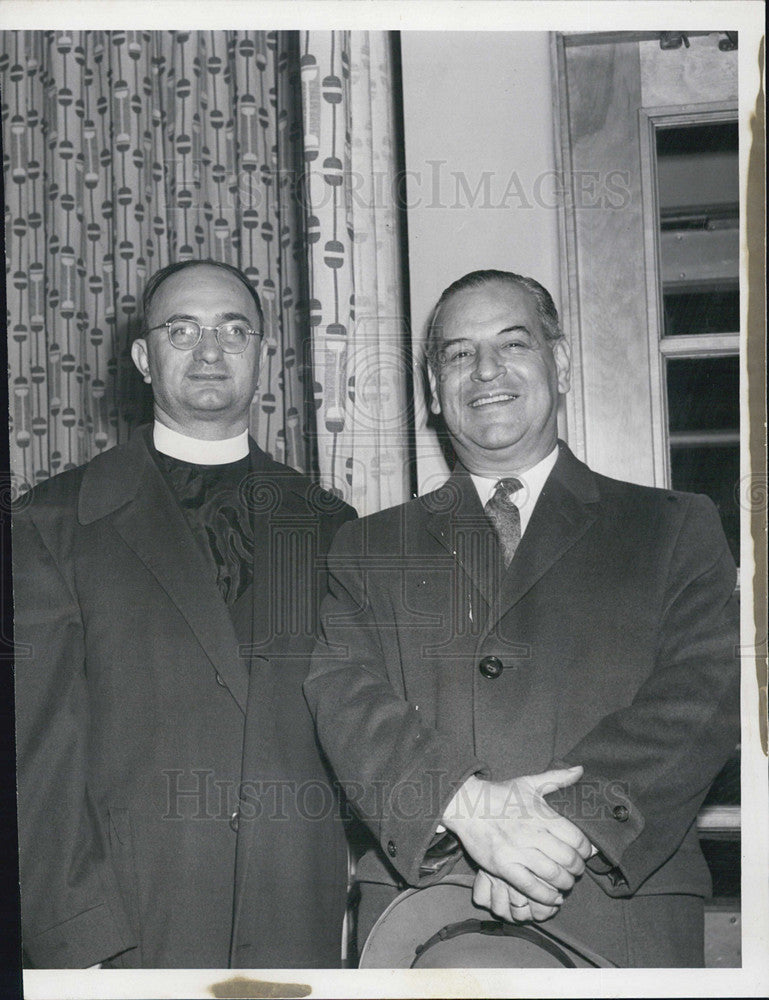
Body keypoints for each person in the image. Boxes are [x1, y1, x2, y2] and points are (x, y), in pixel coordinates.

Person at [304, 269, 740, 967]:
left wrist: (558, 835)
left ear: (558, 362)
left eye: (512, 344)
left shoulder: (672, 527)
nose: (485, 371)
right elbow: (343, 697)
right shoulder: (366, 547)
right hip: (422, 912)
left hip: (614, 913)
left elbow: (705, 693)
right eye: (457, 353)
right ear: (432, 389)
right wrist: (466, 809)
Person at [13, 260, 356, 969]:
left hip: (295, 922)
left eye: (234, 329)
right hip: (128, 928)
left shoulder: (333, 526)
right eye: (183, 329)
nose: (209, 350)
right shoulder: (48, 523)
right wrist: (76, 941)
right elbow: (34, 762)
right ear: (143, 357)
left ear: (262, 354)